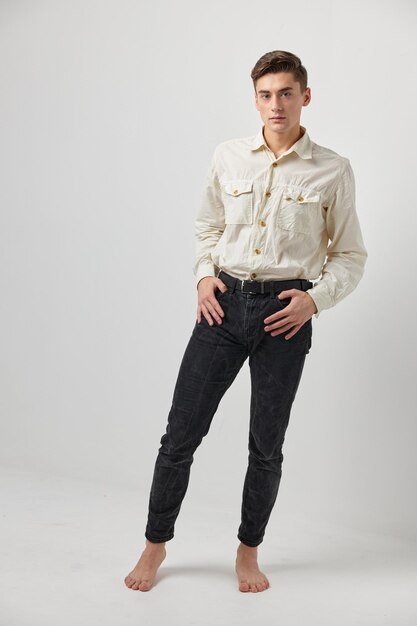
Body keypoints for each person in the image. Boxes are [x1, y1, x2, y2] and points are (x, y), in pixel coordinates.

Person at [124, 50, 368, 593]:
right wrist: (203, 274)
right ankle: (155, 543)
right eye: (265, 94)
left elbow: (350, 255)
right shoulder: (229, 156)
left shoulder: (333, 169)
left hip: (287, 313)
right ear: (254, 99)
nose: (275, 104)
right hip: (223, 306)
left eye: (286, 93)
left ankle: (248, 550)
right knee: (180, 434)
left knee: (266, 445)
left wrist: (315, 300)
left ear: (306, 96)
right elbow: (206, 227)